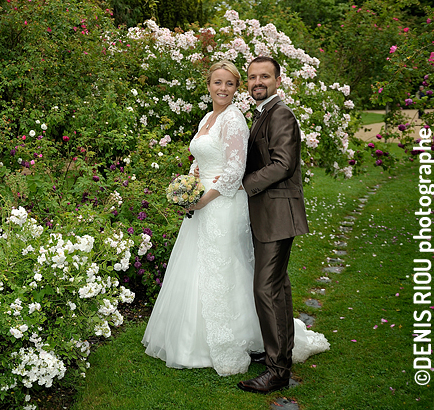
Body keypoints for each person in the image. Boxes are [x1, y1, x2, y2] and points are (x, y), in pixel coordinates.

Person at [141, 60, 329, 379]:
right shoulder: (210, 117)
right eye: (217, 82)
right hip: (206, 201)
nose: (223, 88)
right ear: (209, 85)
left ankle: (263, 356)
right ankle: (207, 339)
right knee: (216, 272)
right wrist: (190, 182)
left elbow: (237, 170)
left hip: (226, 203)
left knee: (237, 273)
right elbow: (204, 158)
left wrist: (207, 196)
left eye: (230, 83)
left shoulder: (245, 118)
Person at [237, 56, 314, 394]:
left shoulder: (280, 114)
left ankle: (277, 372)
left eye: (264, 76)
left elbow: (283, 164)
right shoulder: (262, 114)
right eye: (253, 77)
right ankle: (280, 357)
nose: (257, 82)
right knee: (277, 288)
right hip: (268, 212)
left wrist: (244, 183)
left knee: (265, 289)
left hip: (277, 213)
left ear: (278, 81)